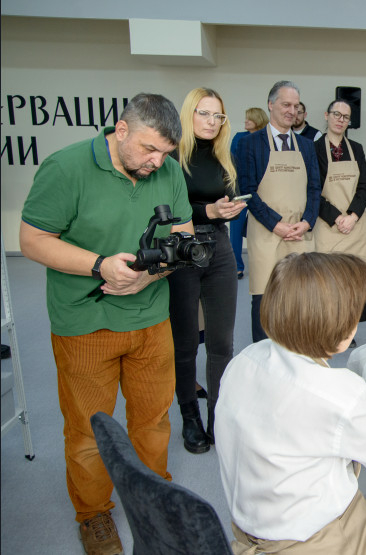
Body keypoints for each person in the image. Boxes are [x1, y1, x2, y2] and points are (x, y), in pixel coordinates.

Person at [19, 93, 192, 555]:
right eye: (148, 150)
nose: (157, 162)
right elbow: (33, 240)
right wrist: (99, 265)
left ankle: (155, 501)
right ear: (120, 130)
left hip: (152, 320)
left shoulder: (170, 172)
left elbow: (184, 237)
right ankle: (94, 515)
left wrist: (149, 276)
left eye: (165, 154)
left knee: (153, 422)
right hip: (85, 324)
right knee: (89, 431)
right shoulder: (66, 168)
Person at [215, 252, 366, 554]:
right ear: (344, 330)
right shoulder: (338, 393)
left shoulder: (244, 361)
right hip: (318, 540)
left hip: (250, 530)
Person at [167, 88, 246, 455]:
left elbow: (222, 201)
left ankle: (218, 415)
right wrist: (207, 212)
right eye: (205, 114)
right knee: (184, 344)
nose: (212, 122)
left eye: (219, 116)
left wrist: (227, 210)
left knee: (221, 343)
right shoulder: (170, 157)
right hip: (182, 249)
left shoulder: (221, 157)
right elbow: (167, 210)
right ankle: (189, 417)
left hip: (219, 248)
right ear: (189, 113)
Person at [237, 80, 322, 342]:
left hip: (300, 233)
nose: (291, 111)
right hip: (266, 233)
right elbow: (248, 191)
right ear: (271, 104)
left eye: (296, 106)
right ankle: (263, 356)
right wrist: (276, 225)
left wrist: (306, 222)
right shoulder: (250, 144)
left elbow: (315, 189)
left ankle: (296, 353)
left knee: (299, 297)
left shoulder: (307, 146)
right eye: (286, 104)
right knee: (264, 296)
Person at [314, 100, 366, 336]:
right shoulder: (314, 150)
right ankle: (328, 327)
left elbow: (365, 186)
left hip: (355, 224)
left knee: (356, 280)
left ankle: (348, 329)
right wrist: (336, 218)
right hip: (328, 224)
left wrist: (352, 216)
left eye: (346, 116)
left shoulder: (357, 148)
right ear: (326, 115)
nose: (341, 120)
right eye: (336, 114)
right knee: (328, 280)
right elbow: (312, 191)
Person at [230, 107, 269, 280]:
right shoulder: (239, 138)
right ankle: (237, 266)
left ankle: (265, 264)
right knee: (236, 229)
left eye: (249, 119)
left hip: (261, 190)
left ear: (258, 120)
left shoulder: (266, 138)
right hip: (239, 189)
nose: (245, 121)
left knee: (262, 226)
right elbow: (230, 162)